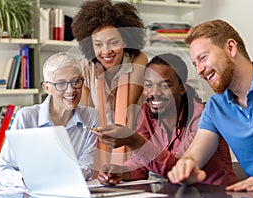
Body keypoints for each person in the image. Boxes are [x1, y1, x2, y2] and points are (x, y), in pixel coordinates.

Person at [167, 19, 253, 191]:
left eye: (202, 58)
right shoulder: (215, 108)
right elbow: (193, 156)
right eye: (195, 64)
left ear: (231, 48)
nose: (199, 70)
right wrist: (185, 169)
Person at [95, 53, 237, 186]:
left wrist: (134, 141)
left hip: (215, 194)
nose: (154, 92)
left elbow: (179, 170)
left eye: (164, 85)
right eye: (148, 85)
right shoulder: (146, 113)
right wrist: (121, 172)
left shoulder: (203, 117)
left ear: (181, 89)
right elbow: (141, 163)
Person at [0, 52, 99, 187]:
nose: (71, 90)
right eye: (61, 84)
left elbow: (87, 167)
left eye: (76, 81)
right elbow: (4, 171)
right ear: (47, 88)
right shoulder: (26, 117)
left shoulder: (91, 117)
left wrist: (58, 178)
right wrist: (27, 179)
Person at [71, 0, 148, 167]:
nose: (106, 51)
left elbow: (127, 109)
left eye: (113, 42)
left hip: (136, 154)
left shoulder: (138, 62)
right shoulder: (86, 69)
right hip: (100, 155)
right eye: (98, 44)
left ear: (126, 41)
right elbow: (89, 118)